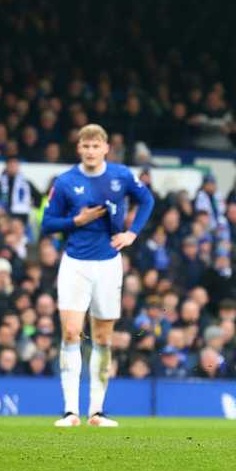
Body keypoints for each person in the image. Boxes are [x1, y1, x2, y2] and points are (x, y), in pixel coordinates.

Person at [41, 123, 154, 427]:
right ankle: (69, 411)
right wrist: (75, 220)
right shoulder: (65, 182)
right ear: (79, 148)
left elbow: (147, 200)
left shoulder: (121, 175)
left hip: (108, 264)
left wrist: (132, 233)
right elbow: (47, 223)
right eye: (86, 146)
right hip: (75, 264)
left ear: (106, 148)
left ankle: (97, 411)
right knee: (70, 333)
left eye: (96, 146)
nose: (91, 151)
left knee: (103, 337)